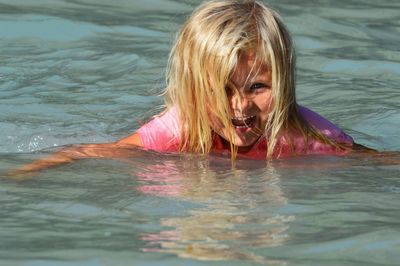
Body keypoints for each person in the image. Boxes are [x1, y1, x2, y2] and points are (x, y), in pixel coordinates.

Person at [12, 0, 374, 175]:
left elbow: (375, 162)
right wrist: (22, 174)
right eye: (224, 89)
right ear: (194, 89)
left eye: (258, 87)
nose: (241, 107)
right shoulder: (176, 130)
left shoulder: (309, 135)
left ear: (285, 86)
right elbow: (86, 152)